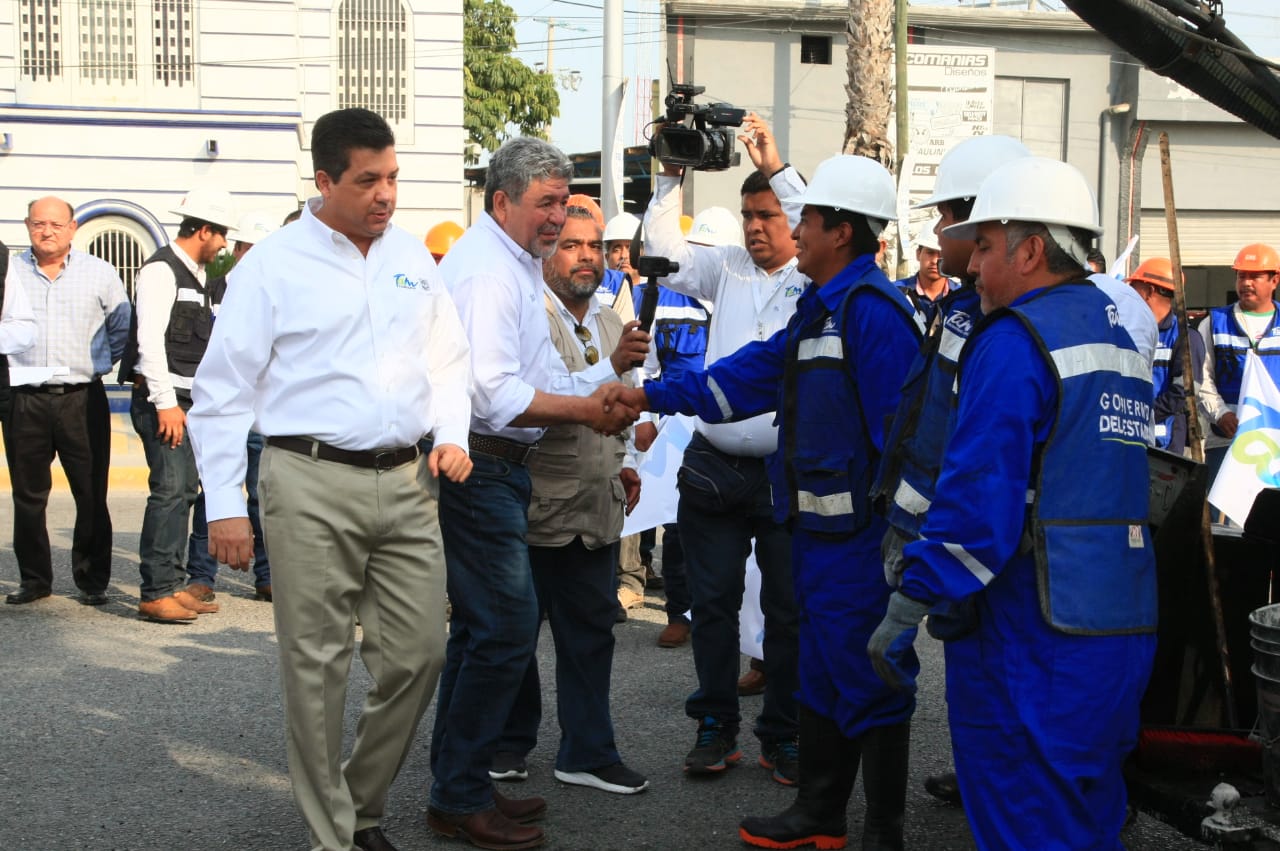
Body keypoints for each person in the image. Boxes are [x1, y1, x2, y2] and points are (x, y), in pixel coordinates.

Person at [188, 107, 474, 851]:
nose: (387, 194)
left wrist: (452, 434)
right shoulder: (271, 266)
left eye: (393, 177)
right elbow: (220, 394)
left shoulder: (411, 256)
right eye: (368, 180)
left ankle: (359, 800)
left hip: (409, 481)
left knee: (419, 654)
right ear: (324, 180)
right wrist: (225, 505)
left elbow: (448, 359)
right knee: (317, 669)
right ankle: (337, 835)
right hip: (308, 480)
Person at [622, 153, 923, 849]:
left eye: (805, 218)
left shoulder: (875, 315)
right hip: (816, 534)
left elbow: (905, 447)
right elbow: (744, 378)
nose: (795, 227)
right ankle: (819, 813)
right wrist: (649, 394)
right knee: (820, 673)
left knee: (872, 678)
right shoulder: (821, 309)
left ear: (840, 231)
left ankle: (883, 832)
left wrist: (900, 548)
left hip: (859, 545)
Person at [868, 156, 1157, 850]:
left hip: (1030, 634)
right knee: (1086, 817)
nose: (971, 266)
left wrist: (909, 604)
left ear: (1029, 251)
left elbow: (978, 507)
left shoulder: (1012, 340)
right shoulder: (1117, 330)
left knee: (1023, 820)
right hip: (1119, 622)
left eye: (986, 246)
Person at [427, 135, 643, 851]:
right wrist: (589, 407)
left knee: (483, 631)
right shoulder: (489, 272)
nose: (557, 217)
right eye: (546, 204)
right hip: (481, 464)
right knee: (504, 629)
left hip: (502, 467)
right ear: (501, 201)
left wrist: (603, 390)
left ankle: (460, 783)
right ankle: (460, 794)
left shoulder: (514, 263)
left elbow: (546, 376)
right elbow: (493, 395)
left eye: (563, 203)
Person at [641, 112, 803, 786]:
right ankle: (715, 725)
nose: (756, 226)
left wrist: (774, 166)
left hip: (786, 471)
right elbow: (659, 248)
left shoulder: (818, 281)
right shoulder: (727, 267)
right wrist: (671, 173)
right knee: (711, 606)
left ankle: (783, 734)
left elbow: (813, 219)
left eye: (769, 214)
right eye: (748, 215)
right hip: (713, 468)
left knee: (788, 611)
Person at [871, 134, 1032, 806]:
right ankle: (982, 784)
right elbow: (925, 429)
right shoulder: (962, 311)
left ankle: (999, 799)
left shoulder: (1013, 327)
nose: (939, 232)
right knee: (974, 684)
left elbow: (967, 455)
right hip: (941, 534)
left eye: (948, 216)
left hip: (985, 546)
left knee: (1002, 683)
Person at [493, 206, 649, 796]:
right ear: (545, 252)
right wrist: (610, 368)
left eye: (594, 246)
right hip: (533, 503)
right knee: (514, 634)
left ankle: (587, 751)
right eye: (571, 245)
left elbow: (627, 402)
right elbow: (533, 400)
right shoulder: (528, 316)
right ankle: (508, 744)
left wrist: (627, 464)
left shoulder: (611, 321)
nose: (586, 256)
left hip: (596, 503)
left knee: (591, 634)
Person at [118, 187, 237, 623]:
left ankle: (173, 583)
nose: (223, 244)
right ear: (203, 230)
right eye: (221, 235)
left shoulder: (198, 275)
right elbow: (149, 342)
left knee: (185, 491)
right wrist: (166, 404)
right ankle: (155, 592)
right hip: (163, 402)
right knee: (169, 491)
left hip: (186, 402)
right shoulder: (161, 271)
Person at [3, 197, 127, 607]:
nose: (47, 231)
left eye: (56, 224)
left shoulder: (99, 272)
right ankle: (35, 580)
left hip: (81, 398)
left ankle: (92, 581)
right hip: (25, 398)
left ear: (73, 228)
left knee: (90, 493)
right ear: (27, 225)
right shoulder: (10, 272)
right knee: (28, 495)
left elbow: (121, 328)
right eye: (39, 223)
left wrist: (96, 364)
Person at [633, 205, 733, 649]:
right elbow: (644, 366)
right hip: (678, 425)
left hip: (736, 424)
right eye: (699, 249)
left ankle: (736, 623)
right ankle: (679, 610)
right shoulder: (665, 297)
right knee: (678, 521)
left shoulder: (749, 295)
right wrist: (645, 419)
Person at [185, 210, 279, 604]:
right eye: (247, 248)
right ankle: (201, 576)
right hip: (223, 408)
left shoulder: (273, 289)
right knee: (214, 493)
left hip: (260, 416)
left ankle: (267, 576)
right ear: (238, 249)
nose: (252, 255)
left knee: (261, 497)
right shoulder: (213, 289)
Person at [1197, 242, 1280, 483]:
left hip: (1274, 442)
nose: (1246, 283)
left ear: (1274, 280)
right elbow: (1201, 378)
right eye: (1242, 276)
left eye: (1255, 277)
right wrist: (1220, 414)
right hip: (1226, 441)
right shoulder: (1214, 323)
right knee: (1221, 507)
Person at [1128, 257, 1207, 455]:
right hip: (1128, 436)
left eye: (1134, 288)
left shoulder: (1185, 338)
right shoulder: (1128, 332)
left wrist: (1142, 414)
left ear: (1149, 291)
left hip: (1165, 444)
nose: (1130, 294)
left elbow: (1184, 393)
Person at [893, 216, 953, 326]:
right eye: (930, 253)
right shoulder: (896, 292)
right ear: (918, 254)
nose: (935, 261)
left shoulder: (961, 297)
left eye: (941, 254)